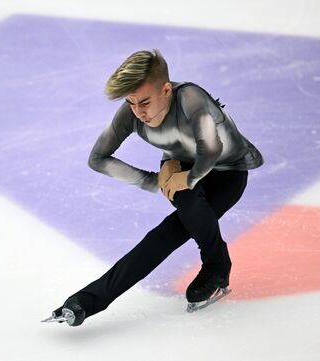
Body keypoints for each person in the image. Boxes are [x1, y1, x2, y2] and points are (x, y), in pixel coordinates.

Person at [42, 49, 264, 326]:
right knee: (168, 227)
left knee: (167, 233)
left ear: (167, 90)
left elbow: (211, 148)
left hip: (228, 173)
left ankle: (217, 267)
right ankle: (87, 301)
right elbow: (97, 158)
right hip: (179, 166)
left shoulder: (192, 100)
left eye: (145, 101)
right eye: (131, 103)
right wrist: (152, 179)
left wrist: (188, 178)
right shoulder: (132, 112)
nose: (139, 112)